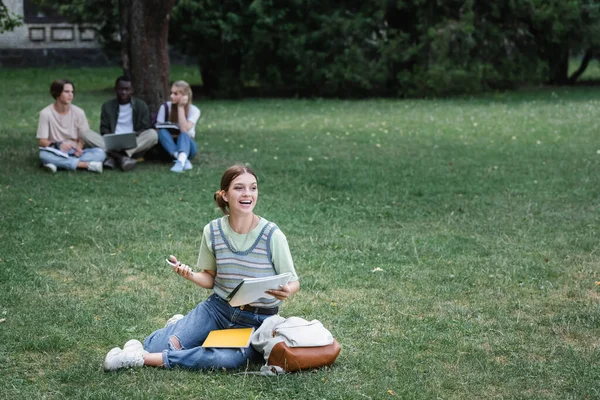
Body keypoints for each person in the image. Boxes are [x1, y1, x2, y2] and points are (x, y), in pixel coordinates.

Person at [104, 165, 300, 371]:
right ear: (225, 195)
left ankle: (142, 359)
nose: (247, 194)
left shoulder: (272, 235)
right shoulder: (213, 231)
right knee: (153, 345)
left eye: (253, 188)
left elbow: (293, 282)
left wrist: (288, 290)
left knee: (225, 359)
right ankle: (170, 335)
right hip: (218, 309)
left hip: (257, 321)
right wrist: (189, 275)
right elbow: (210, 279)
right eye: (239, 188)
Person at [84, 76, 158, 171]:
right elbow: (104, 128)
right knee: (85, 133)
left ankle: (115, 156)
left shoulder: (141, 105)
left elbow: (145, 128)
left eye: (127, 89)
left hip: (133, 142)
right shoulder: (107, 106)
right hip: (112, 140)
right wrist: (112, 138)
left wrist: (131, 136)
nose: (123, 92)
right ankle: (122, 158)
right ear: (115, 89)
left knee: (153, 134)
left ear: (132, 90)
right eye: (120, 89)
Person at [37, 79, 105, 173]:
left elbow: (83, 137)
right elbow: (42, 141)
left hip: (74, 151)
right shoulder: (46, 113)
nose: (71, 95)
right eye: (66, 92)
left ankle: (58, 164)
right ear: (57, 93)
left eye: (72, 92)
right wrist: (58, 145)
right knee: (43, 155)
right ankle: (86, 165)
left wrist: (79, 148)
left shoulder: (79, 112)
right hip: (56, 150)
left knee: (100, 153)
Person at [155, 80, 201, 173]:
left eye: (175, 94)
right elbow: (158, 129)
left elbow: (184, 130)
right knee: (162, 131)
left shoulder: (194, 110)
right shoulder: (165, 107)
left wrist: (180, 107)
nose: (172, 96)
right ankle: (181, 159)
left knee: (183, 135)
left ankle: (181, 159)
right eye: (171, 93)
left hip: (188, 146)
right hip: (169, 145)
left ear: (185, 96)